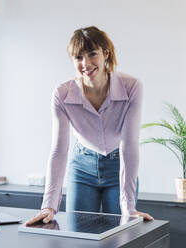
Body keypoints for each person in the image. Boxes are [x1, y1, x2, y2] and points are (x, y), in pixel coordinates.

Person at [26, 26, 153, 226]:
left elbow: (129, 146)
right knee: (78, 235)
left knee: (121, 234)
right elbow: (59, 150)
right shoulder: (62, 95)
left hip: (117, 165)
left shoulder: (131, 87)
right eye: (78, 57)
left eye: (92, 54)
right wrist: (48, 205)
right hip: (81, 169)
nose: (86, 63)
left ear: (106, 53)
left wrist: (129, 207)